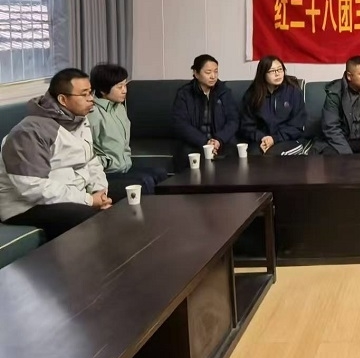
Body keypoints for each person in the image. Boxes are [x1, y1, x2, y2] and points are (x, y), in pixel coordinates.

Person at [0, 68, 111, 240]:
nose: (91, 99)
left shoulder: (79, 120)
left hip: (72, 193)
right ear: (63, 100)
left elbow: (90, 160)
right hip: (26, 206)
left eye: (91, 92)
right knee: (89, 218)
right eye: (84, 94)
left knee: (124, 200)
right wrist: (88, 200)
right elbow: (32, 187)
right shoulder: (29, 133)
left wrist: (100, 191)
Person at [88, 63, 168, 202]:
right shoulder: (92, 114)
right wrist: (107, 162)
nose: (124, 90)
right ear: (103, 90)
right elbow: (86, 152)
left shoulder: (119, 107)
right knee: (145, 181)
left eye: (125, 85)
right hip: (107, 173)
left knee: (160, 173)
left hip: (125, 167)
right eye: (119, 87)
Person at [172, 54, 239, 168]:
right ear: (196, 73)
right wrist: (204, 142)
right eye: (208, 72)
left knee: (232, 154)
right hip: (195, 142)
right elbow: (180, 123)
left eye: (216, 72)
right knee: (186, 155)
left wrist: (218, 140)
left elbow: (233, 120)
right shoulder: (184, 94)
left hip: (221, 141)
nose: (213, 76)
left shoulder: (224, 92)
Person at [240, 56, 310, 156]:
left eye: (280, 69)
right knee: (253, 156)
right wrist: (262, 138)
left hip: (289, 140)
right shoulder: (253, 94)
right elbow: (247, 126)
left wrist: (274, 138)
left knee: (273, 156)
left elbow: (297, 125)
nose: (277, 74)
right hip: (262, 140)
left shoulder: (293, 92)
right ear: (263, 74)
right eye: (272, 71)